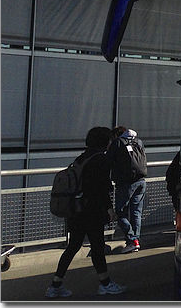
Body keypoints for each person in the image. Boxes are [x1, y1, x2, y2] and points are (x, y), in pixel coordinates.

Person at [45, 126, 126, 297]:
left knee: (73, 246)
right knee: (97, 247)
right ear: (105, 141)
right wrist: (109, 209)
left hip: (76, 210)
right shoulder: (100, 160)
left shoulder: (81, 158)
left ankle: (55, 285)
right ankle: (105, 284)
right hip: (92, 211)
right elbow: (102, 189)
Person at [109, 126, 148, 253]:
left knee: (120, 213)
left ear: (116, 135)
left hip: (126, 183)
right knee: (136, 212)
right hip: (141, 181)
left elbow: (108, 160)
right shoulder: (139, 141)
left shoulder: (118, 143)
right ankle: (135, 240)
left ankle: (132, 240)